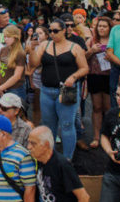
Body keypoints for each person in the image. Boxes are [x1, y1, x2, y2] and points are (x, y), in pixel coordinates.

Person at [27, 18, 87, 160]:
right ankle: (50, 158)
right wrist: (32, 50)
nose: (52, 34)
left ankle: (67, 159)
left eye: (55, 31)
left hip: (66, 90)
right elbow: (34, 64)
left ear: (64, 31)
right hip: (47, 90)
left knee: (67, 125)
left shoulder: (74, 47)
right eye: (50, 31)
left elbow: (85, 68)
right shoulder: (44, 45)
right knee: (49, 126)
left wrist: (73, 77)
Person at [27, 125, 89, 202]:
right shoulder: (38, 161)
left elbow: (84, 197)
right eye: (28, 142)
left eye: (33, 144)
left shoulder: (62, 165)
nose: (29, 147)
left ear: (46, 145)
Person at [85, 16, 112, 148]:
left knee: (108, 108)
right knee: (96, 107)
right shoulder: (91, 41)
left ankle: (108, 136)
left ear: (110, 28)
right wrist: (91, 51)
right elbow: (83, 57)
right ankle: (96, 136)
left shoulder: (114, 41)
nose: (101, 28)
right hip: (94, 76)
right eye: (99, 26)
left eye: (104, 26)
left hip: (109, 76)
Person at [0, 25, 25, 100]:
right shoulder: (3, 49)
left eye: (8, 37)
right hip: (2, 88)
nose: (5, 39)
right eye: (4, 36)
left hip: (14, 89)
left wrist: (1, 87)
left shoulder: (20, 53)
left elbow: (17, 76)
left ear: (15, 37)